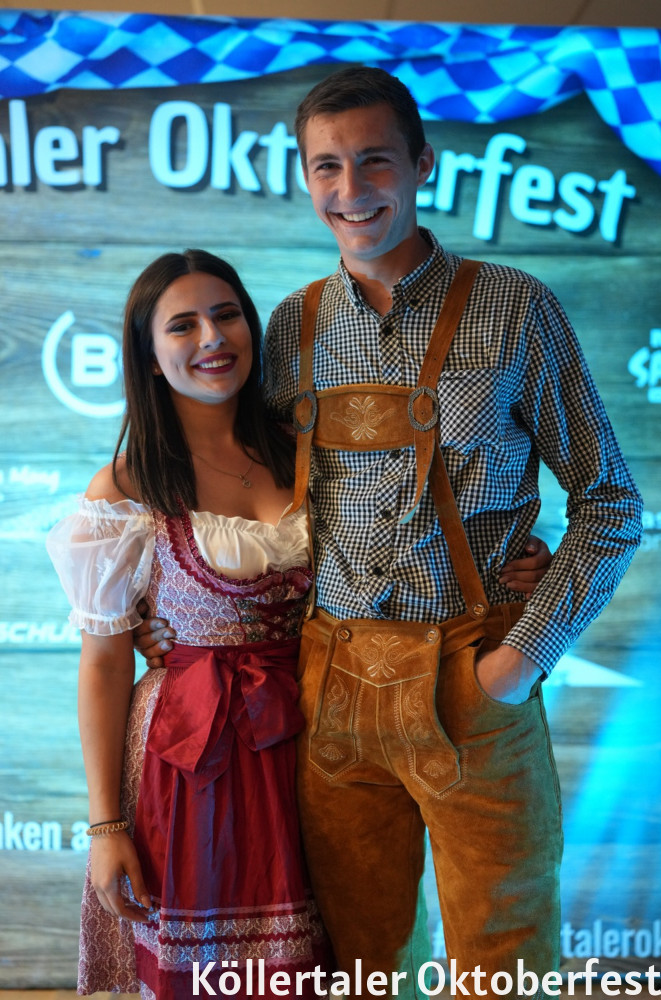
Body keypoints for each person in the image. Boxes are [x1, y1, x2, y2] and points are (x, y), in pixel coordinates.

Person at [134, 66, 642, 996]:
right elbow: (239, 479)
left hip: (476, 673)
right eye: (326, 167)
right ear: (305, 178)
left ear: (421, 164)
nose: (351, 188)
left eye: (373, 160)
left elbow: (610, 502)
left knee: (506, 962)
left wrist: (519, 659)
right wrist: (165, 602)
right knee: (363, 962)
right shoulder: (290, 326)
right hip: (330, 681)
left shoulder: (515, 307)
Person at [46, 250, 331, 1000]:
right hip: (192, 760)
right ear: (148, 356)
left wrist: (519, 559)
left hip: (317, 739)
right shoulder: (127, 485)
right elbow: (105, 663)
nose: (212, 337)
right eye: (183, 325)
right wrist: (106, 829)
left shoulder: (308, 451)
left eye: (226, 314)